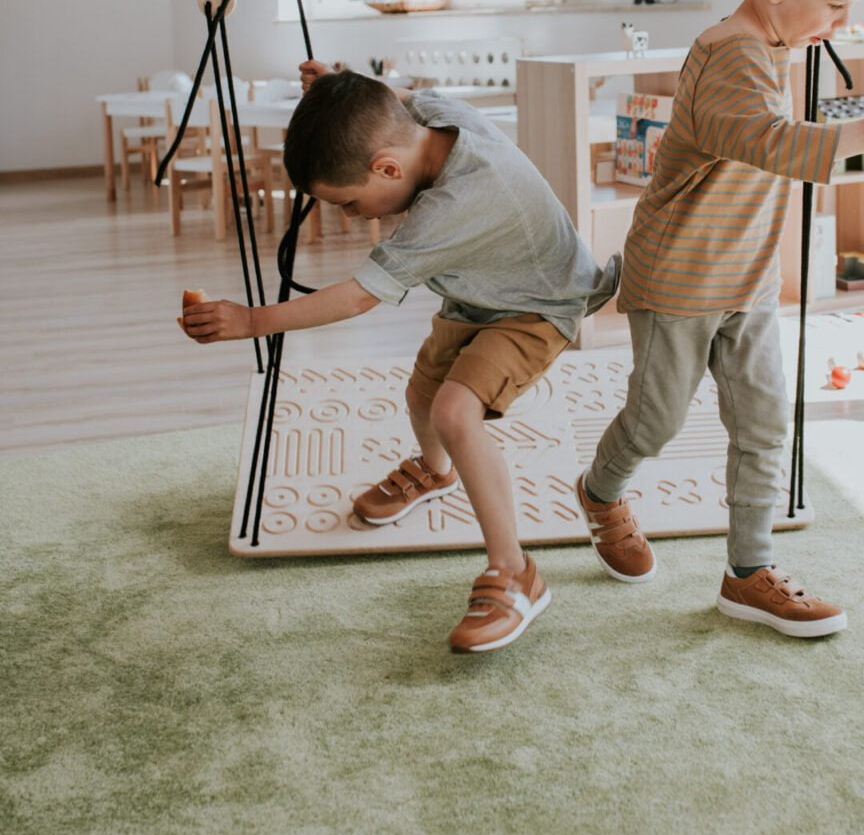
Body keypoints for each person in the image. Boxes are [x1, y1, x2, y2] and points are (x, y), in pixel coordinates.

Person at [575, 0, 864, 637]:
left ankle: (748, 572)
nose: (841, 24)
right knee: (655, 421)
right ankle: (600, 492)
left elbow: (772, 145)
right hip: (679, 278)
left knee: (763, 422)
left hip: (745, 277)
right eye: (836, 7)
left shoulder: (775, 44)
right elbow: (769, 144)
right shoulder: (729, 53)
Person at [182, 67, 619, 655]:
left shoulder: (457, 204)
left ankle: (516, 572)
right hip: (480, 289)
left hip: (538, 304)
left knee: (454, 413)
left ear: (388, 168)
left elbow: (359, 296)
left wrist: (251, 321)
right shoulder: (433, 119)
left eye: (349, 202)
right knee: (421, 395)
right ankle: (437, 471)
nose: (350, 215)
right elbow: (395, 98)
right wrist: (339, 84)